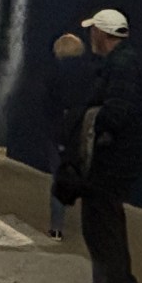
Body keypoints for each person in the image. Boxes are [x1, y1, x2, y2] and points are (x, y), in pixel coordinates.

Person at [72, 8, 142, 283]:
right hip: (120, 159)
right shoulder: (128, 61)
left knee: (100, 226)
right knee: (111, 222)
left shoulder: (120, 65)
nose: (90, 36)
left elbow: (116, 112)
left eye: (93, 31)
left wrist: (91, 122)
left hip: (109, 161)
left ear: (102, 34)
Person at [43, 33, 97, 241]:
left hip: (59, 133)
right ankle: (92, 227)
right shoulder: (91, 73)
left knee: (60, 177)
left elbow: (48, 107)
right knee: (89, 178)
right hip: (85, 132)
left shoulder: (55, 74)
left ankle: (56, 228)